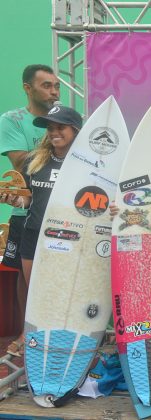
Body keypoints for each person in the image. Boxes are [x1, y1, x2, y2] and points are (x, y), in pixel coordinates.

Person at [0, 105, 82, 356]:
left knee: (64, 290)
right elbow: (29, 200)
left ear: (75, 130)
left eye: (60, 127)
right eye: (50, 128)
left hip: (69, 236)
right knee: (34, 289)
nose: (54, 132)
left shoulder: (87, 163)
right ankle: (30, 335)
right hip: (34, 233)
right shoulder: (35, 160)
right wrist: (15, 200)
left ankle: (66, 339)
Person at [0, 64, 60, 357]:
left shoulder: (64, 120)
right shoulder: (13, 119)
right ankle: (27, 331)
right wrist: (59, 147)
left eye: (56, 86)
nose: (54, 92)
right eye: (47, 86)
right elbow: (21, 162)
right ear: (28, 88)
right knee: (25, 278)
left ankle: (56, 331)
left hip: (61, 213)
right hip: (26, 213)